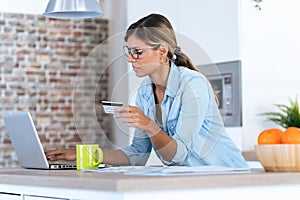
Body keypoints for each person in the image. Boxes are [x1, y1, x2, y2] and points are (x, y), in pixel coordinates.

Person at [46, 13, 249, 168]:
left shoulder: (193, 85)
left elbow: (177, 154)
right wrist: (81, 155)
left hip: (226, 178)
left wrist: (148, 124)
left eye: (138, 52)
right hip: (190, 182)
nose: (129, 59)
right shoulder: (145, 91)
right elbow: (138, 154)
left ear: (162, 51)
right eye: (129, 52)